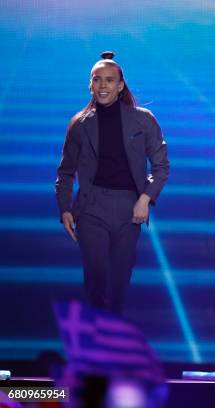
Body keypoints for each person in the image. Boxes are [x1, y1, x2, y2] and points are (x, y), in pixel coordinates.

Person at [55, 52, 169, 314]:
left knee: (119, 282)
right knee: (96, 278)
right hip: (92, 207)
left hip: (130, 209)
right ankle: (95, 335)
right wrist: (64, 209)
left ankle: (110, 338)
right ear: (90, 85)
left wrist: (144, 199)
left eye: (109, 80)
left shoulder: (144, 119)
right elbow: (65, 172)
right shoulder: (79, 125)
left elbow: (161, 166)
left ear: (120, 86)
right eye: (97, 79)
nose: (103, 85)